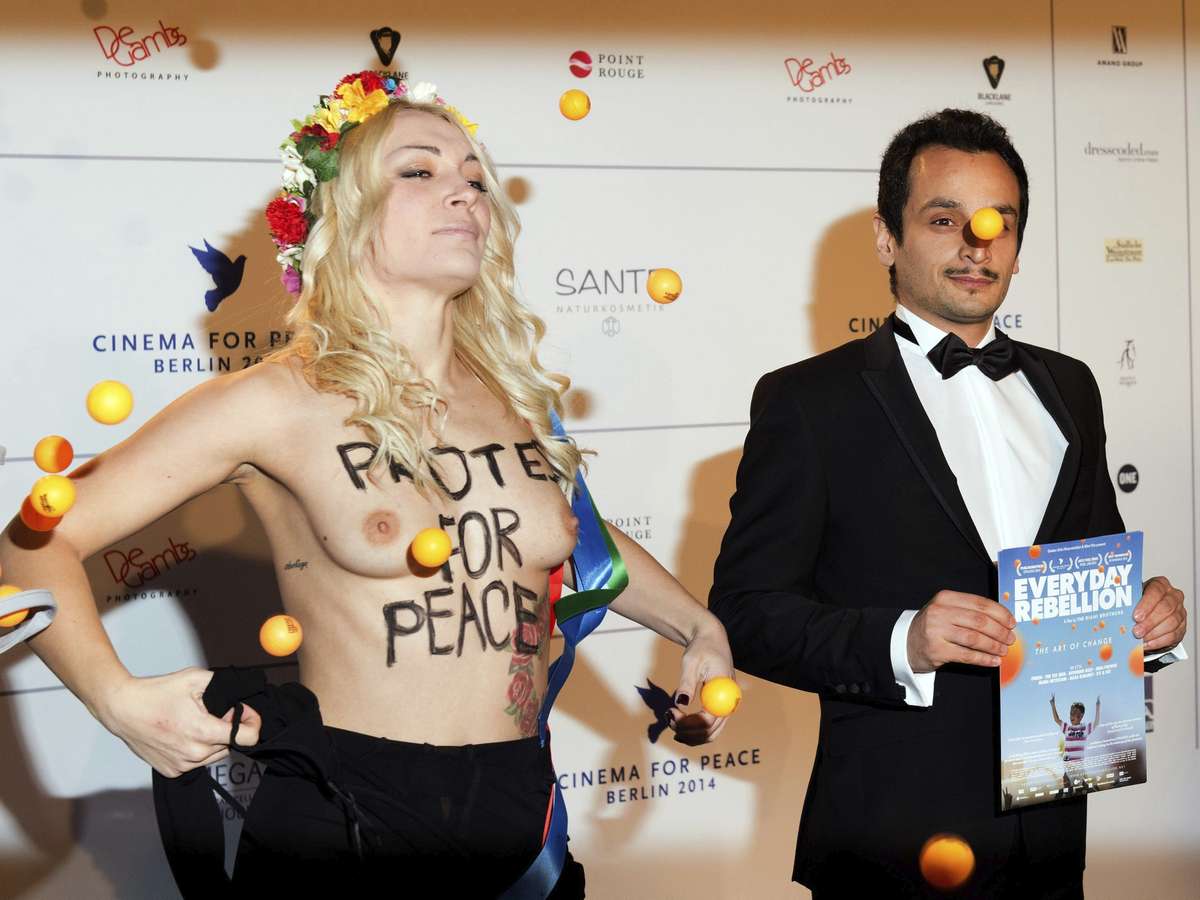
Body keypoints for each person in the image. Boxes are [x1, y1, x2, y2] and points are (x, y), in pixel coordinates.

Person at [0, 72, 733, 897]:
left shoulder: (517, 399)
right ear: (341, 214)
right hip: (346, 824)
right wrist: (116, 700)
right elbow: (33, 542)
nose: (464, 193)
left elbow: (575, 538)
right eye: (419, 170)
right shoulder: (275, 400)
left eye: (475, 178)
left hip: (521, 818)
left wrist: (697, 625)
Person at [709, 108, 1187, 899]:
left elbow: (1091, 570)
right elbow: (746, 613)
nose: (977, 243)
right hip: (889, 843)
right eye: (943, 219)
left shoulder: (1071, 387)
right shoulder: (809, 402)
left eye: (999, 221)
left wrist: (1147, 621)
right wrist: (906, 640)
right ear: (886, 238)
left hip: (1050, 832)